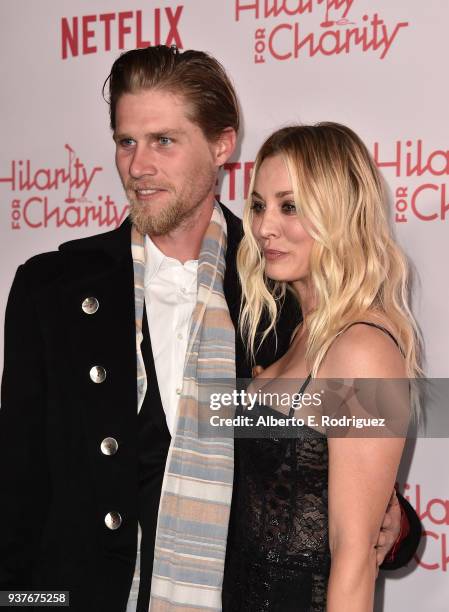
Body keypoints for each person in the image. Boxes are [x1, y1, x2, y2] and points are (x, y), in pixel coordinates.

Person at [0, 47, 420, 612]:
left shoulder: (289, 293)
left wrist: (395, 529)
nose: (138, 165)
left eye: (164, 141)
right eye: (127, 141)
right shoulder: (48, 289)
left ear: (222, 145)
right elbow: (18, 489)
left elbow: (339, 489)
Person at [222, 123, 422, 611]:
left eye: (290, 206)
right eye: (259, 205)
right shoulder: (293, 328)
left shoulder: (364, 350)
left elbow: (353, 561)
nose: (265, 226)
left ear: (341, 214)